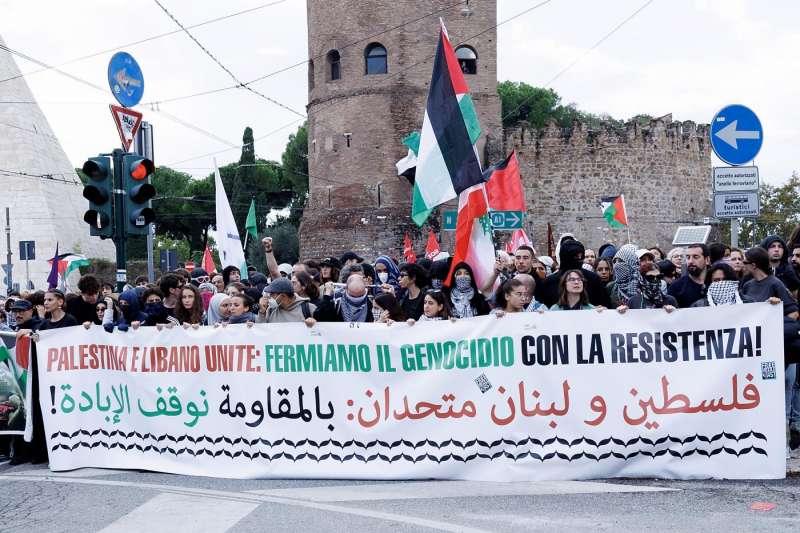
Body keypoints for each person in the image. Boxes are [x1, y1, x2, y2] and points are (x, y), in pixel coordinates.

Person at [535, 238, 610, 308]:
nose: (579, 259)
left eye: (581, 256)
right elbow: (542, 309)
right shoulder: (549, 282)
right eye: (575, 256)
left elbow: (604, 306)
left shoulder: (593, 279)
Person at [741, 246, 799, 319]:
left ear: (753, 265)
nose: (741, 265)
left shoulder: (775, 284)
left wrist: (774, 325)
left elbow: (794, 313)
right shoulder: (747, 285)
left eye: (744, 262)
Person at [668, 243, 709, 308]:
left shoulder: (715, 282)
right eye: (688, 257)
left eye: (695, 257)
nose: (690, 261)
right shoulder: (676, 287)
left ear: (707, 260)